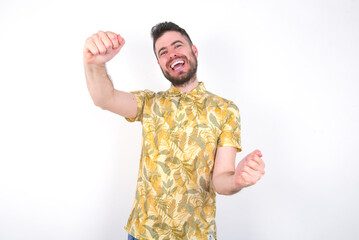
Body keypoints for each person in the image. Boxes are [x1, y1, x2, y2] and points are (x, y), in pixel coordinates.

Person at [83, 22, 265, 240]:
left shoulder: (225, 110)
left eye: (177, 46)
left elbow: (221, 179)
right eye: (163, 52)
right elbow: (105, 98)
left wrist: (237, 179)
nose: (171, 54)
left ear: (193, 51)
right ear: (160, 64)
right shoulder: (150, 103)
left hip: (195, 235)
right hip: (143, 234)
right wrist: (94, 64)